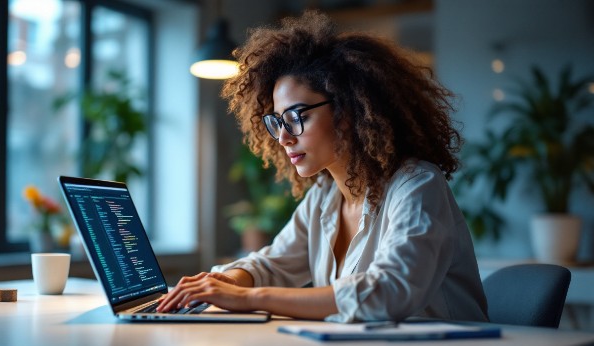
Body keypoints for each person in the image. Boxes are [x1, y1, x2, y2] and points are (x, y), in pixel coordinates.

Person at [157, 10, 488, 323]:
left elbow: (390, 291)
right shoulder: (324, 197)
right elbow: (272, 264)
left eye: (297, 117)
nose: (283, 137)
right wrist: (223, 284)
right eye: (276, 121)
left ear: (348, 111)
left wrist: (249, 298)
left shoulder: (416, 185)